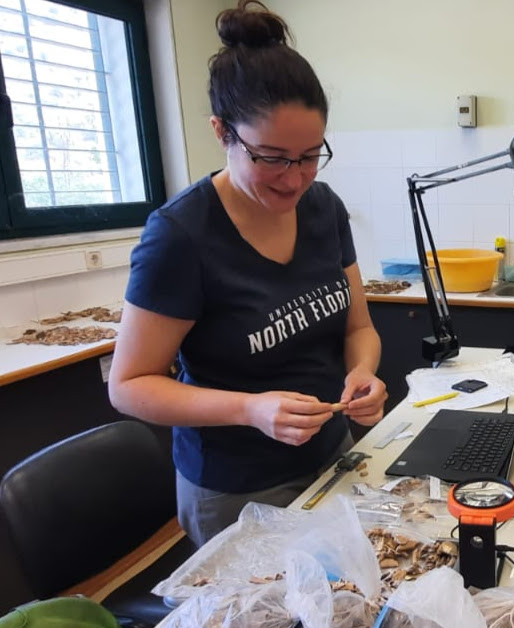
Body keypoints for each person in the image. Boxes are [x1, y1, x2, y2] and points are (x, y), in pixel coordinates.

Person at [108, 0, 387, 547]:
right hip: (237, 492)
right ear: (221, 132)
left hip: (331, 458)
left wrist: (365, 375)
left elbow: (359, 328)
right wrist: (250, 409)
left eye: (310, 155)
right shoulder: (181, 236)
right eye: (271, 157)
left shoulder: (324, 207)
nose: (294, 179)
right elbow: (130, 385)